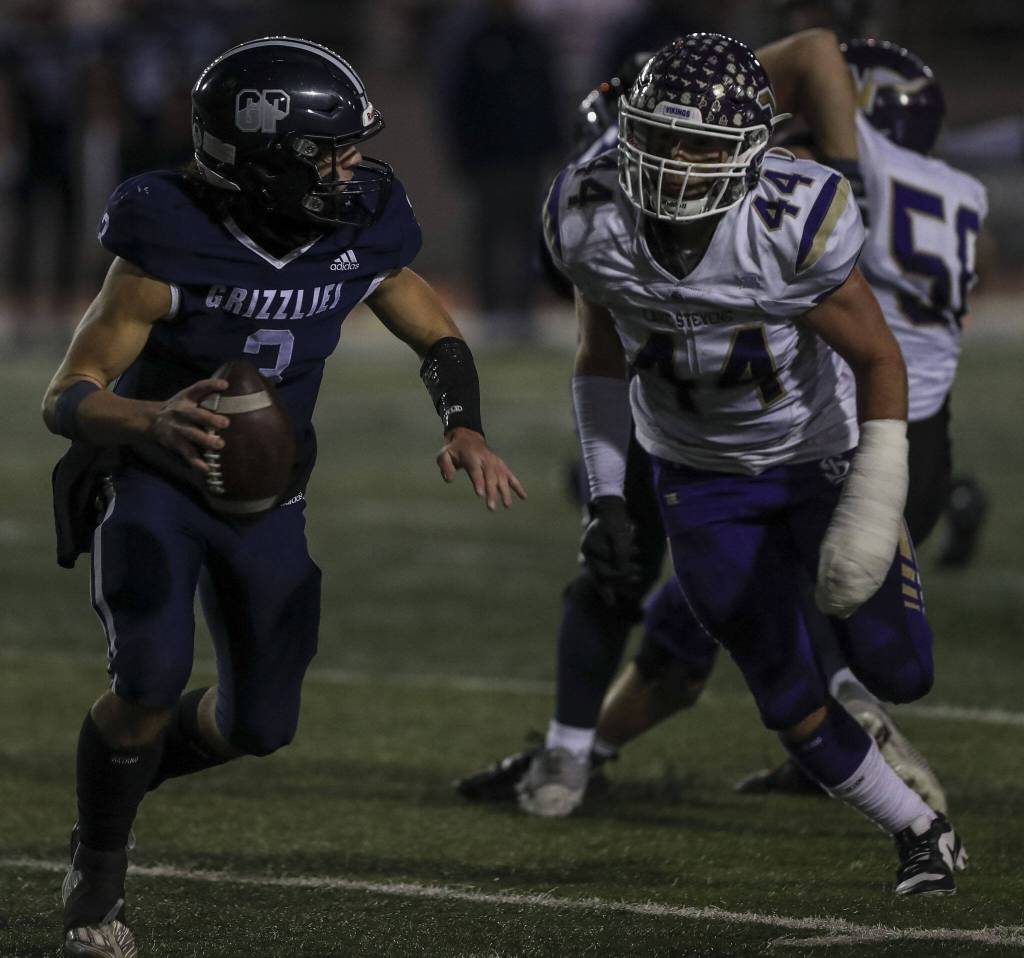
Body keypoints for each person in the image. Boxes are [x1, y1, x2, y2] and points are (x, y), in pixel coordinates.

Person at [44, 36, 525, 957]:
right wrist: (149, 420)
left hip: (267, 494)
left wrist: (463, 424)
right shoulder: (166, 238)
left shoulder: (359, 228)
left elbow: (435, 332)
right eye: (328, 153)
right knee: (147, 682)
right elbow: (66, 395)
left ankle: (119, 776)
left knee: (260, 725)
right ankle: (97, 868)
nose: (351, 169)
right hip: (155, 482)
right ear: (267, 159)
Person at [470, 31, 968, 896]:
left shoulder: (793, 216)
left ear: (748, 148)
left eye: (699, 143)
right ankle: (921, 833)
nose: (674, 159)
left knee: (901, 672)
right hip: (696, 477)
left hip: (813, 457)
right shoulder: (587, 212)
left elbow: (878, 357)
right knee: (785, 694)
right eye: (659, 136)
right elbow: (598, 360)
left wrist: (873, 496)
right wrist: (607, 496)